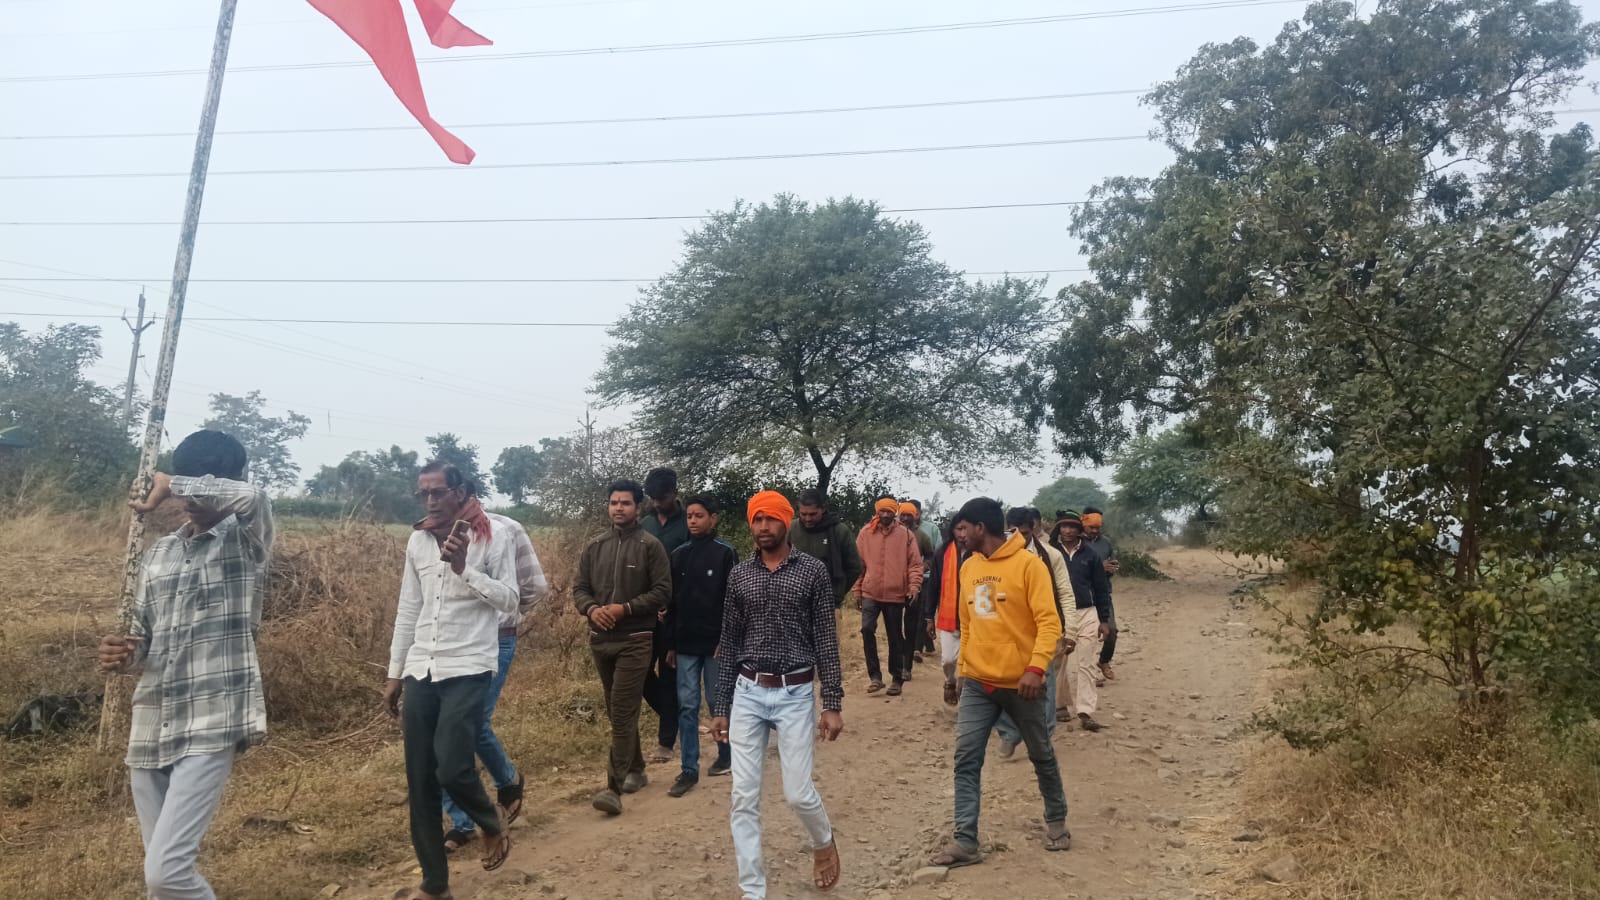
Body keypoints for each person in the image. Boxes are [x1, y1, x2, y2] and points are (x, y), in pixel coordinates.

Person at [98, 430, 274, 900]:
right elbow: (143, 638)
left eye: (203, 486)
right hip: (151, 719)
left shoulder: (247, 539)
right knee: (158, 877)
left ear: (232, 480)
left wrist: (173, 483)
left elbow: (252, 497)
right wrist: (124, 654)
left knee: (167, 873)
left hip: (212, 720)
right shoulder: (160, 553)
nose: (191, 499)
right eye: (186, 484)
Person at [385, 461, 520, 898]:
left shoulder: (494, 536)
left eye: (438, 492)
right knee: (421, 780)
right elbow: (409, 608)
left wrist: (465, 569)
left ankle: (490, 819)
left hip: (469, 664)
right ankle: (435, 883)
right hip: (421, 666)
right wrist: (395, 673)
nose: (429, 501)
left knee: (453, 766)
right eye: (423, 493)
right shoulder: (418, 540)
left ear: (461, 492)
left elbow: (511, 601)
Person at [710, 491, 844, 899]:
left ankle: (823, 841)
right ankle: (753, 890)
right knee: (743, 797)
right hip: (748, 691)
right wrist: (721, 706)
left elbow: (825, 639)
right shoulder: (740, 574)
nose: (763, 527)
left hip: (795, 693)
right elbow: (730, 641)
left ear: (786, 522)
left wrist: (832, 703)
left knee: (798, 793)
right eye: (757, 519)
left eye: (770, 519)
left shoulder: (812, 571)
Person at [928, 497, 1070, 869]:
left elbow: (1049, 623)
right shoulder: (969, 566)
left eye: (963, 528)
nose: (958, 535)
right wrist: (962, 670)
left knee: (1041, 754)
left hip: (1023, 683)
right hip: (979, 682)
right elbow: (968, 624)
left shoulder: (1029, 565)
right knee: (966, 758)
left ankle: (1057, 821)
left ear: (980, 527)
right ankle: (965, 841)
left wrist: (1036, 668)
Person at [441, 509, 548, 853]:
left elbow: (534, 586)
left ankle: (505, 781)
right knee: (442, 731)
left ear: (463, 490)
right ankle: (461, 821)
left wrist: (506, 614)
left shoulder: (505, 529)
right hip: (449, 643)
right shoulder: (431, 530)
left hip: (495, 639)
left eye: (445, 491)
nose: (435, 500)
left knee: (472, 724)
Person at [573, 478, 673, 815]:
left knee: (622, 708)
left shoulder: (650, 546)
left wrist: (625, 609)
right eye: (614, 502)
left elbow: (662, 591)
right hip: (600, 640)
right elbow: (580, 589)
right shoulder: (595, 546)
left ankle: (612, 788)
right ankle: (636, 769)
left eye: (625, 503)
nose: (619, 508)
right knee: (617, 708)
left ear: (638, 507)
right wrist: (592, 609)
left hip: (636, 640)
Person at [663, 495, 738, 797]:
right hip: (685, 643)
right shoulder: (678, 555)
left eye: (699, 515)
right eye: (690, 516)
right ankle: (689, 769)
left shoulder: (725, 553)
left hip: (716, 644)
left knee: (717, 701)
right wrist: (670, 644)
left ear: (713, 518)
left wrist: (727, 640)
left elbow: (734, 602)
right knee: (687, 705)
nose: (693, 521)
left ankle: (726, 754)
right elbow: (672, 603)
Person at [994, 506, 1076, 756]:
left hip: (1043, 631)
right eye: (1014, 532)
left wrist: (1070, 630)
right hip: (1007, 632)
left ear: (1035, 529)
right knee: (1002, 684)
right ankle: (1010, 733)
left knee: (1045, 685)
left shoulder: (1050, 556)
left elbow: (1065, 593)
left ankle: (1043, 738)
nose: (1019, 538)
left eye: (1025, 533)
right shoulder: (996, 557)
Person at [853, 496, 924, 695]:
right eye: (882, 511)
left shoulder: (906, 535)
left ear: (895, 513)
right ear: (877, 512)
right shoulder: (865, 533)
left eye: (889, 511)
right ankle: (875, 677)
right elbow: (858, 565)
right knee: (867, 630)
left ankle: (896, 678)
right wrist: (857, 590)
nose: (885, 515)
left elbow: (915, 564)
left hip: (895, 594)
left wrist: (914, 586)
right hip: (870, 591)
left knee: (895, 637)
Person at [640, 467, 688, 764]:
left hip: (676, 613)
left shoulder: (689, 522)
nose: (658, 503)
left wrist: (673, 605)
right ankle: (680, 717)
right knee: (641, 674)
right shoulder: (644, 523)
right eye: (653, 499)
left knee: (669, 675)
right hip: (645, 612)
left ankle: (666, 743)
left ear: (674, 493)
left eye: (663, 498)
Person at [1049, 511, 1113, 732]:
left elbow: (1101, 588)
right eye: (1064, 526)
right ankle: (1059, 705)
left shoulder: (1090, 554)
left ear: (1079, 530)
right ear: (1059, 529)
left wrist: (1104, 620)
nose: (1068, 531)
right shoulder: (1050, 552)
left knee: (1086, 663)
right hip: (1058, 614)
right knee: (1058, 662)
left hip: (1086, 612)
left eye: (1072, 527)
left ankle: (1085, 712)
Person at [789, 488, 865, 609]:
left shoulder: (840, 531)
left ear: (823, 509)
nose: (808, 518)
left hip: (828, 602)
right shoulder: (790, 529)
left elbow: (854, 567)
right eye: (803, 514)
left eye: (813, 514)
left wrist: (838, 592)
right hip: (793, 600)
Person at [926, 521, 966, 706]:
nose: (963, 534)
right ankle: (950, 681)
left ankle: (965, 696)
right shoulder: (942, 552)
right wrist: (929, 617)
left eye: (966, 529)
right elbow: (933, 585)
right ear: (952, 530)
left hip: (973, 618)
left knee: (968, 663)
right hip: (949, 616)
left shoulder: (980, 552)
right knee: (948, 660)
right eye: (959, 529)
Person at [1082, 507, 1121, 682]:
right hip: (1083, 596)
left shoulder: (1106, 543)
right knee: (1088, 636)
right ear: (1084, 523)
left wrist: (1112, 568)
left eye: (1097, 527)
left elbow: (1112, 564)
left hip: (1103, 593)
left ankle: (1104, 661)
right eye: (1091, 527)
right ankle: (1091, 675)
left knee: (1111, 630)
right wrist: (1099, 568)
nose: (1094, 531)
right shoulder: (1077, 543)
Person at [898, 501, 935, 676]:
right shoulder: (892, 534)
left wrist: (921, 568)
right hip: (894, 587)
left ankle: (907, 667)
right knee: (894, 627)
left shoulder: (921, 536)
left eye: (909, 515)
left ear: (915, 516)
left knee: (911, 626)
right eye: (903, 515)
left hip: (914, 586)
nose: (905, 518)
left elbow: (930, 556)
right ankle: (900, 660)